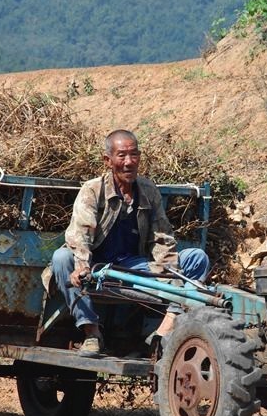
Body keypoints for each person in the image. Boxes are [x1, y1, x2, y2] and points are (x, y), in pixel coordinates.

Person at [50, 129, 209, 355]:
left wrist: (172, 275)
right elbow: (81, 232)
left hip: (134, 268)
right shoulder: (93, 190)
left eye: (133, 155)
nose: (128, 162)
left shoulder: (148, 190)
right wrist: (82, 265)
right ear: (108, 160)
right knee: (61, 258)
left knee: (196, 258)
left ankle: (164, 331)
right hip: (97, 268)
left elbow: (162, 237)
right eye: (121, 155)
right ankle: (92, 333)